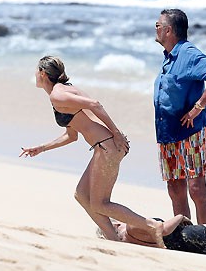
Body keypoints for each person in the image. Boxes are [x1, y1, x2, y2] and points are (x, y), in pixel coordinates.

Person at [21, 56, 165, 247]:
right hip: (104, 147)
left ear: (42, 73)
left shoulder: (58, 95)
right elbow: (72, 135)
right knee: (82, 194)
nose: (34, 75)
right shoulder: (61, 92)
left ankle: (152, 226)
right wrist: (42, 148)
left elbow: (95, 104)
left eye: (36, 71)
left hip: (107, 146)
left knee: (100, 204)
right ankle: (113, 239)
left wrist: (117, 133)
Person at [154, 8, 206, 224]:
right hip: (168, 132)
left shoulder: (188, 53)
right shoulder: (169, 57)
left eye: (158, 26)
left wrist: (198, 107)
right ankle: (184, 238)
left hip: (190, 131)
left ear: (168, 30)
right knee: (175, 188)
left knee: (196, 188)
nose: (156, 30)